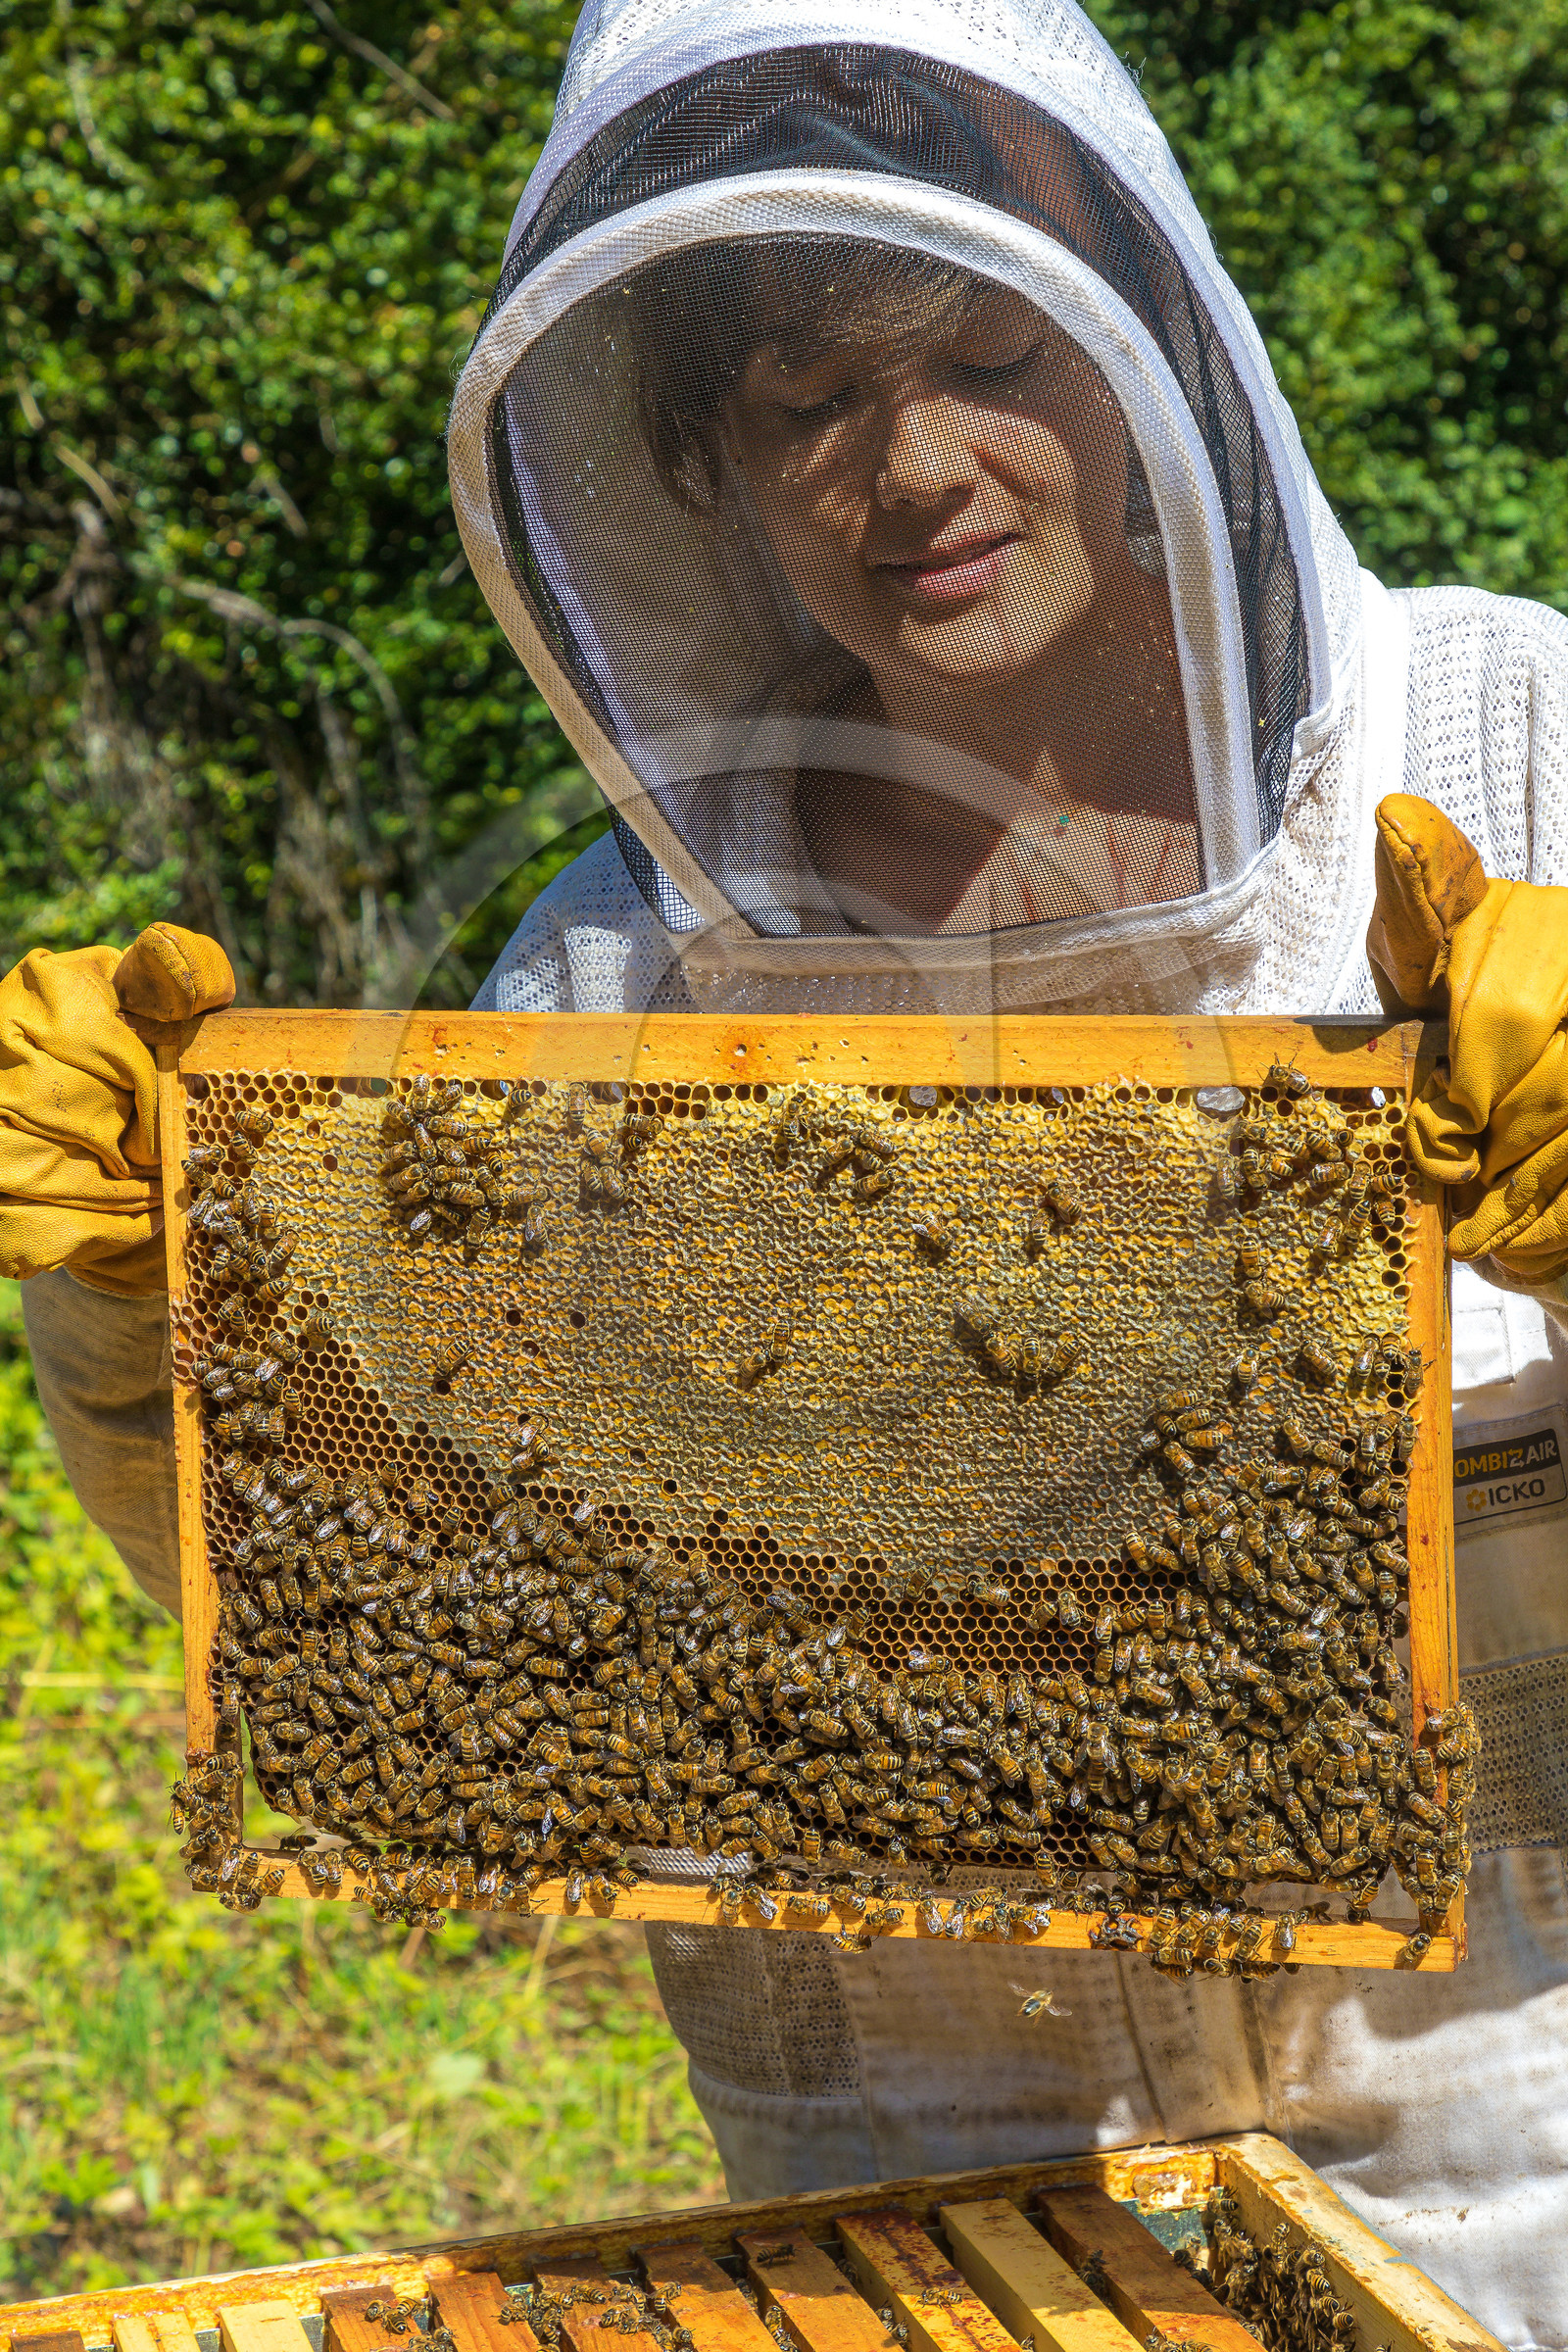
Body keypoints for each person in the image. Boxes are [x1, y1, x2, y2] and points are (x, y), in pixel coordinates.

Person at [8, 5, 1568, 2342]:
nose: (911, 465)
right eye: (803, 404)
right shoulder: (607, 992)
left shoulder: (1521, 767)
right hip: (907, 2244)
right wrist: (151, 1333)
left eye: (972, 351)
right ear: (698, 469)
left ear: (1139, 334)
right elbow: (404, 1614)